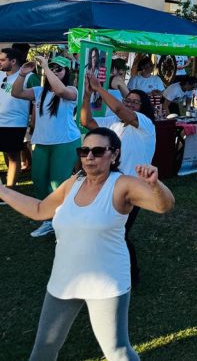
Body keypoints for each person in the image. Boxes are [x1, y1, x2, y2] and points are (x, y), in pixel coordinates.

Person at [0, 127, 174, 360]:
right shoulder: (73, 183)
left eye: (98, 151)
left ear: (114, 155)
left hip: (106, 281)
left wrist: (155, 184)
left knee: (117, 350)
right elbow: (40, 210)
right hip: (64, 278)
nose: (89, 156)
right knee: (43, 348)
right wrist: (2, 190)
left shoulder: (122, 184)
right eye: (84, 151)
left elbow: (164, 205)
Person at [81, 76, 157, 287]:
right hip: (110, 185)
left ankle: (130, 274)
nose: (129, 103)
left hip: (134, 188)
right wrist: (87, 95)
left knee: (117, 232)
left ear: (143, 107)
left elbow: (122, 111)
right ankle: (114, 270)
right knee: (112, 231)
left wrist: (98, 88)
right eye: (128, 100)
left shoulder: (145, 124)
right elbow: (87, 122)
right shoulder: (113, 124)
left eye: (135, 101)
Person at [12, 56, 81, 239]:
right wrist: (22, 74)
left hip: (65, 143)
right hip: (42, 143)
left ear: (67, 72)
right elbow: (16, 93)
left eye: (59, 68)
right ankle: (49, 219)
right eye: (52, 68)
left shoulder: (72, 90)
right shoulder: (39, 91)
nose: (55, 70)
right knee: (39, 180)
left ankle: (60, 218)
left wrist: (45, 67)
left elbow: (59, 89)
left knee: (57, 184)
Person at [0, 47, 39, 188]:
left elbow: (38, 100)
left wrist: (34, 121)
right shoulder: (0, 75)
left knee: (13, 155)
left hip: (15, 122)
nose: (0, 62)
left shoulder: (29, 77)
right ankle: (7, 186)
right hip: (1, 122)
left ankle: (10, 189)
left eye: (3, 60)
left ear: (14, 61)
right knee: (6, 154)